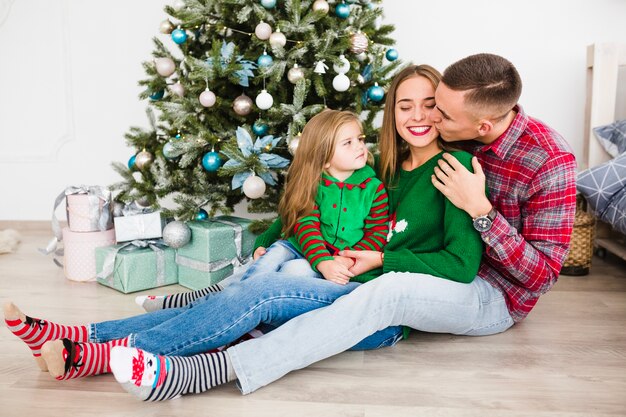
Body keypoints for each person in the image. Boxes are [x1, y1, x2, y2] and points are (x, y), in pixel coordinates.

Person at [106, 53, 577, 402]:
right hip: (394, 272)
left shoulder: (536, 162)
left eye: (439, 111)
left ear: (483, 124)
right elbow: (329, 216)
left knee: (368, 291)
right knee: (284, 271)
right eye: (410, 107)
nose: (429, 118)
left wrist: (481, 211)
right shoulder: (403, 162)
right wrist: (279, 240)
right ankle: (96, 342)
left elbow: (536, 276)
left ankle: (195, 370)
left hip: (490, 293)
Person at [3, 109, 393, 379]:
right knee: (252, 287)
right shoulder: (318, 186)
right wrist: (315, 257)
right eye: (350, 142)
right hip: (321, 268)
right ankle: (74, 336)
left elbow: (377, 236)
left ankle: (91, 352)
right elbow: (301, 223)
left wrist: (357, 261)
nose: (362, 146)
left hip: (352, 286)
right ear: (324, 159)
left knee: (242, 293)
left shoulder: (374, 188)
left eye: (361, 139)